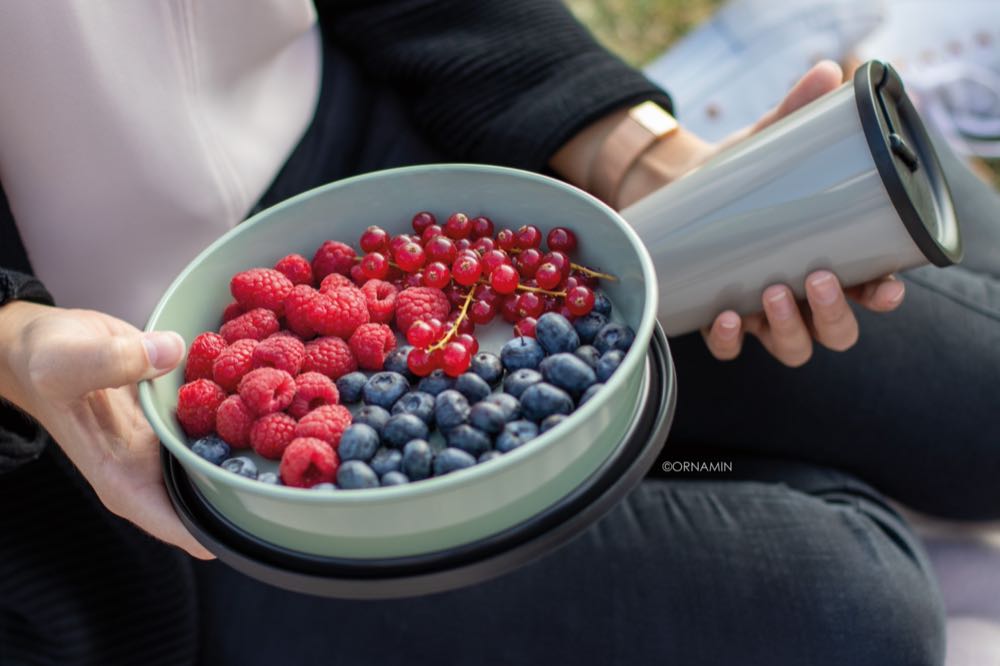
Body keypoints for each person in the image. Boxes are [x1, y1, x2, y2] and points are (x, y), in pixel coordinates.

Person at [0, 2, 996, 664]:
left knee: (977, 404)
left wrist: (631, 150)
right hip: (139, 438)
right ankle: (729, 463)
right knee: (855, 606)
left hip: (392, 224)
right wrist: (11, 347)